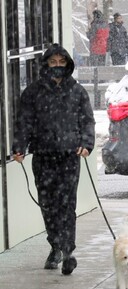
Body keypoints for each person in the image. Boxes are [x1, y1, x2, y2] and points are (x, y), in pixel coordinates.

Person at [12, 43, 95, 275]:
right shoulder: (33, 93)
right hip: (43, 156)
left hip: (69, 156)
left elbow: (87, 120)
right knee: (48, 205)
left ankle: (68, 251)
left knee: (67, 205)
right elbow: (24, 123)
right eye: (53, 62)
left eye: (61, 62)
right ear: (46, 65)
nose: (57, 66)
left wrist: (87, 144)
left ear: (67, 64)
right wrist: (19, 147)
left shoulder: (78, 92)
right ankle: (55, 245)